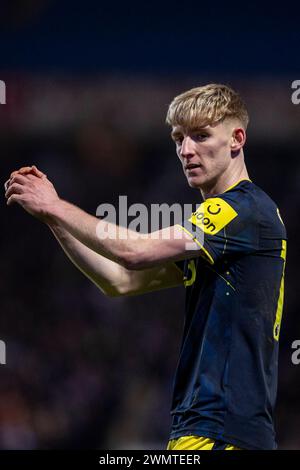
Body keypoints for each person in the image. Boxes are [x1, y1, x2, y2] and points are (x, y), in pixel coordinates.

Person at [5, 84, 286, 450]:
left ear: (236, 139)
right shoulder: (223, 231)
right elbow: (121, 281)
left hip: (221, 431)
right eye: (178, 138)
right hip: (209, 429)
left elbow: (133, 252)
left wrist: (58, 206)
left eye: (201, 136)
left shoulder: (238, 210)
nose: (186, 150)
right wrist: (52, 218)